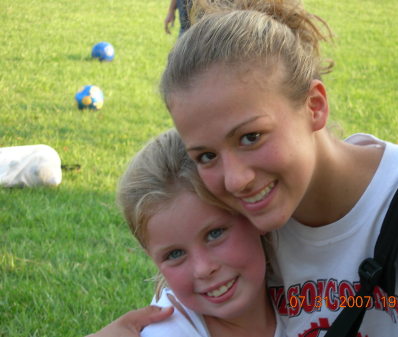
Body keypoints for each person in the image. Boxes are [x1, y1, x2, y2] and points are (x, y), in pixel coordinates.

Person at [88, 0, 398, 335]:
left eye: (251, 137)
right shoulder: (235, 225)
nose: (235, 180)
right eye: (206, 156)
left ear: (314, 106)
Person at [111, 129, 285, 337]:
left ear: (251, 213)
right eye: (175, 254)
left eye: (215, 234)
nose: (203, 269)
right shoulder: (170, 333)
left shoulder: (305, 283)